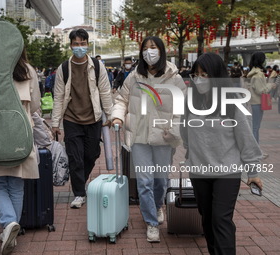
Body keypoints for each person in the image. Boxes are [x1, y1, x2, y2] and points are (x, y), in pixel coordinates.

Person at [180, 52, 263, 255]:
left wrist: (253, 171)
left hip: (227, 171)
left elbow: (246, 138)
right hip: (199, 170)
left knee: (220, 218)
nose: (199, 79)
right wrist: (191, 152)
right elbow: (185, 130)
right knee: (207, 218)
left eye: (205, 74)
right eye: (196, 74)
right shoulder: (191, 100)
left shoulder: (233, 101)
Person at [112, 36, 186, 243]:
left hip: (164, 137)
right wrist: (117, 116)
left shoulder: (174, 77)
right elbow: (121, 99)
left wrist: (174, 130)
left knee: (161, 181)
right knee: (144, 181)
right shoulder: (134, 77)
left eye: (153, 48)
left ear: (161, 51)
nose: (149, 52)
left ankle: (158, 204)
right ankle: (151, 222)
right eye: (145, 49)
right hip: (139, 136)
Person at [0, 48, 41, 254]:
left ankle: (8, 223)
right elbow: (36, 104)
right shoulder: (27, 69)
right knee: (16, 182)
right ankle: (11, 226)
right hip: (20, 132)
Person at [51, 29, 112, 209]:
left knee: (91, 154)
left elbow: (105, 91)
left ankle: (80, 181)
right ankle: (79, 193)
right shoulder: (63, 68)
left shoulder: (97, 66)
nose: (79, 47)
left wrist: (111, 115)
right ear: (70, 45)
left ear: (87, 44)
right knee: (75, 157)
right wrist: (55, 123)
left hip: (94, 118)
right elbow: (59, 96)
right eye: (76, 44)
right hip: (71, 119)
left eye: (82, 43)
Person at [247, 52, 275, 158]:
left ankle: (256, 150)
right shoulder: (258, 75)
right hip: (258, 102)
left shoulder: (253, 73)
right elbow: (261, 90)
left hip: (255, 102)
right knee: (255, 128)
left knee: (255, 127)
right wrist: (270, 85)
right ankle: (255, 151)